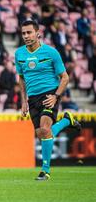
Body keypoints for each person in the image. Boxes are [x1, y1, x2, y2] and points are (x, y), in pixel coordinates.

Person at [15, 19, 81, 181]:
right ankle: (66, 121)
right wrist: (23, 101)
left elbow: (64, 78)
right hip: (32, 98)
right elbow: (21, 79)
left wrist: (56, 96)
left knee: (45, 129)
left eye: (29, 32)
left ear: (38, 33)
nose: (26, 36)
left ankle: (45, 171)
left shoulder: (51, 53)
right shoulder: (19, 54)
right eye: (24, 33)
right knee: (42, 134)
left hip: (49, 94)